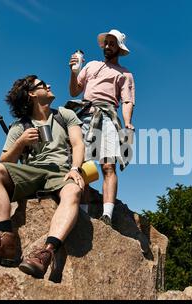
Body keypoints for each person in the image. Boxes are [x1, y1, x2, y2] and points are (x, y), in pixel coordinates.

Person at [0, 75, 85, 278]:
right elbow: (4, 162)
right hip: (32, 172)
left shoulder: (65, 114)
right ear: (32, 94)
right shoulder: (19, 126)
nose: (50, 85)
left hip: (61, 172)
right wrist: (20, 143)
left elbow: (79, 144)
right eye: (43, 84)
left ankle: (46, 253)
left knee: (73, 190)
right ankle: (4, 242)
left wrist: (75, 169)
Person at [68, 29, 136, 227]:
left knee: (108, 165)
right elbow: (74, 91)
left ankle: (107, 214)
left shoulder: (125, 74)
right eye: (106, 43)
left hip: (107, 116)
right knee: (82, 166)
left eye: (112, 43)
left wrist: (128, 122)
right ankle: (82, 213)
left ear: (118, 48)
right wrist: (73, 72)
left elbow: (127, 101)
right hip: (84, 114)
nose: (107, 46)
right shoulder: (90, 65)